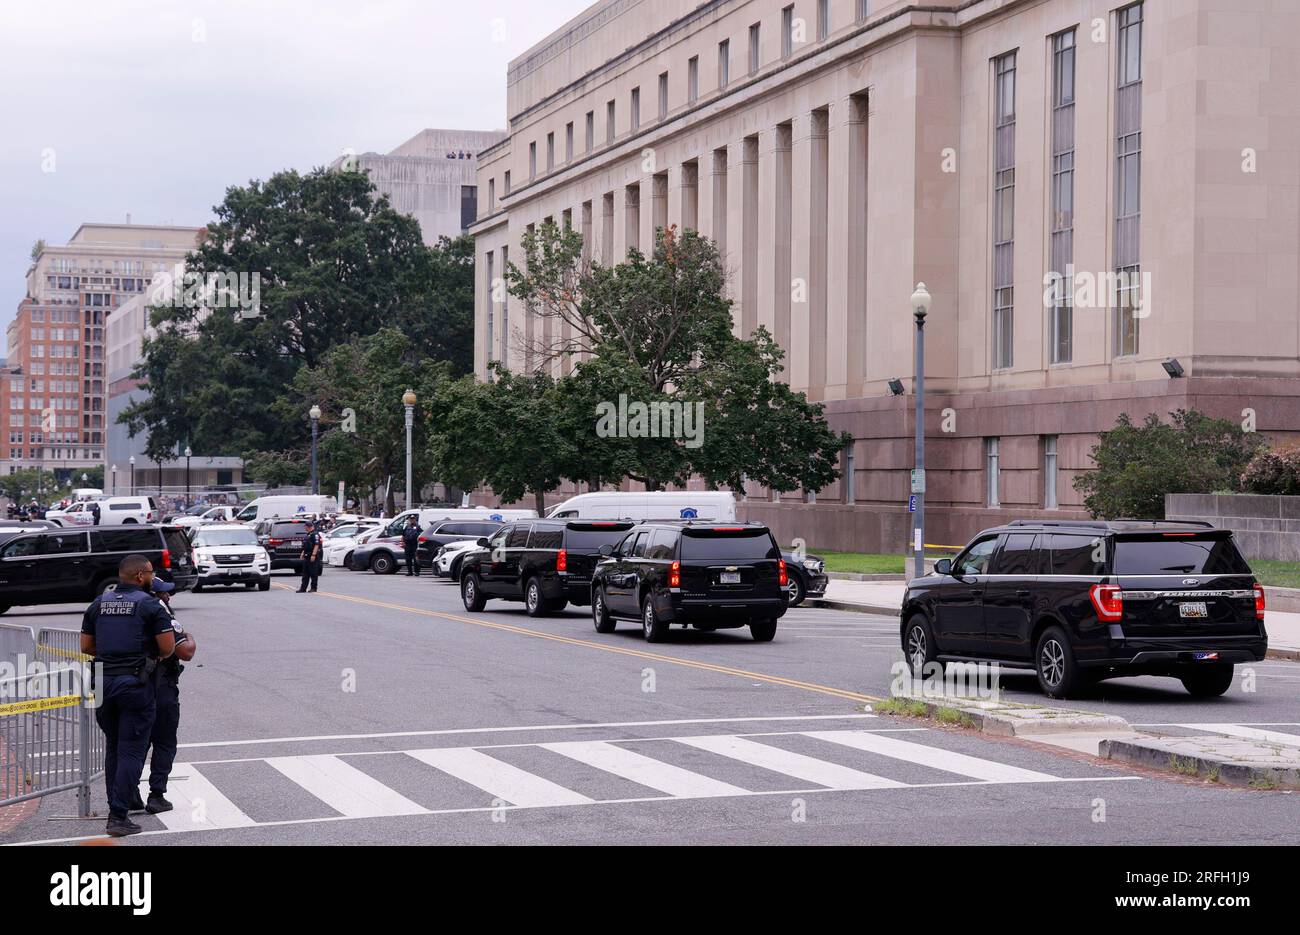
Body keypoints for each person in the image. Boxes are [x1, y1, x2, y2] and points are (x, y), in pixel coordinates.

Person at [80, 554, 176, 837]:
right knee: (132, 749)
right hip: (133, 682)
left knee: (114, 746)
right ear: (140, 576)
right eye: (150, 573)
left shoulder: (98, 604)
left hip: (101, 681)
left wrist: (111, 656)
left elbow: (86, 646)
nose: (151, 576)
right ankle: (118, 815)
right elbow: (168, 648)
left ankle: (120, 803)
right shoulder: (150, 605)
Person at [139, 577, 195, 814]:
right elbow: (185, 652)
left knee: (133, 745)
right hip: (160, 688)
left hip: (131, 687)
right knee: (163, 742)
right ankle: (156, 794)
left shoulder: (127, 613)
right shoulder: (160, 614)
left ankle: (128, 794)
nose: (168, 596)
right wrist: (190, 637)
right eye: (163, 593)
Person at [297, 520, 322, 593]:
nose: (304, 528)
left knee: (313, 573)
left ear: (309, 527)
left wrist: (313, 555)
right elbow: (306, 546)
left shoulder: (315, 534)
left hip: (312, 556)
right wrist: (302, 553)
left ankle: (314, 588)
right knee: (305, 573)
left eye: (305, 527)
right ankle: (303, 588)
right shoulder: (309, 534)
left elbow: (316, 545)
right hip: (307, 556)